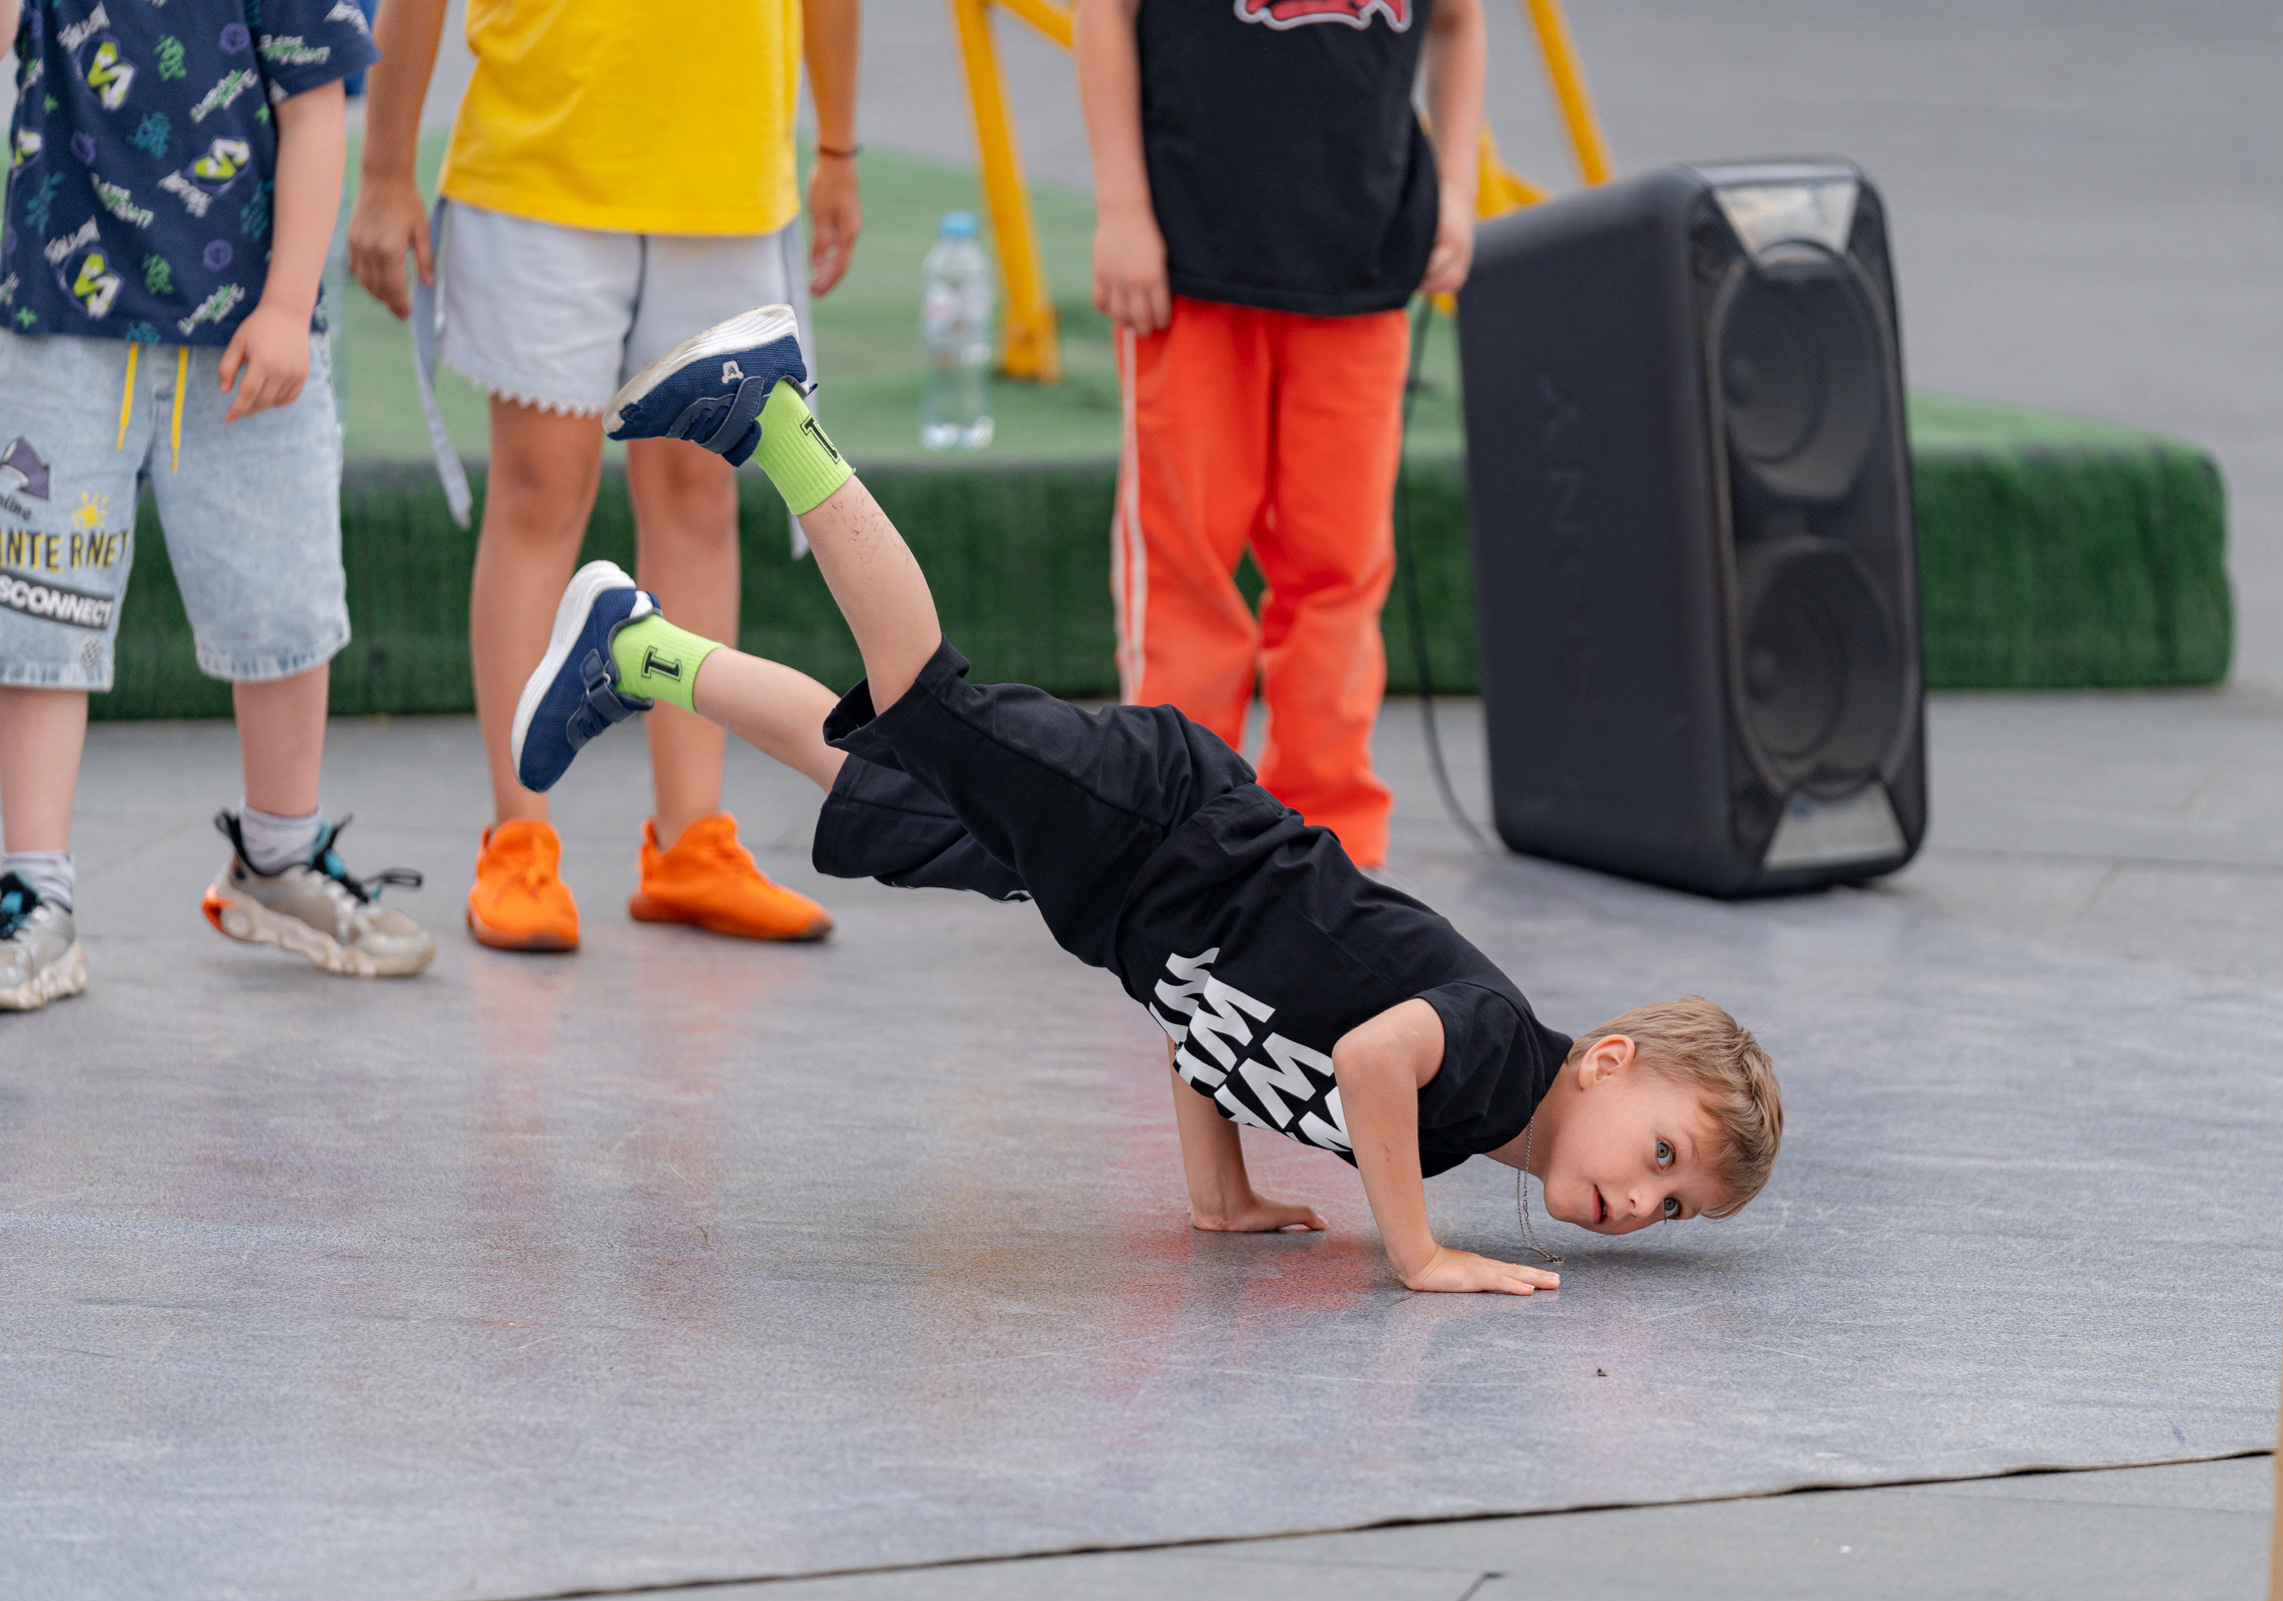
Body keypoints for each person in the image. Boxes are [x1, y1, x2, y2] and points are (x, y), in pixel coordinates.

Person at [512, 308, 1782, 1292]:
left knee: (879, 789)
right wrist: (1414, 1253)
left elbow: (1213, 1025)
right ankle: (774, 412)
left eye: (1674, 1208)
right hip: (1161, 820)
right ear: (1608, 1064)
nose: (1641, 1203)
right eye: (1661, 1157)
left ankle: (638, 651)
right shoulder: (1497, 1055)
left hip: (1119, 898)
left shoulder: (1461, 1129)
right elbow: (1370, 1052)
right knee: (927, 705)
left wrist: (1217, 1191)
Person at [349, 0, 861, 953]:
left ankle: (692, 841)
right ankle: (519, 837)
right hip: (540, 162)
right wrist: (382, 171)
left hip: (728, 172)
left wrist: (837, 148)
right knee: (542, 494)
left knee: (700, 493)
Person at [0, 0, 435, 1013]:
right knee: (40, 605)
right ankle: (34, 886)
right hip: (62, 327)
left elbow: (318, 112)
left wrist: (288, 304)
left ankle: (279, 853)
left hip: (248, 338)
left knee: (280, 602)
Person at [1075, 0, 1487, 872]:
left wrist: (1455, 189)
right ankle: (1172, 827)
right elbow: (1104, 13)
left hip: (1362, 268)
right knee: (1185, 565)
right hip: (1191, 264)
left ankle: (1327, 836)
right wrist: (1122, 208)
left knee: (1339, 568)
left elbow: (1457, 20)